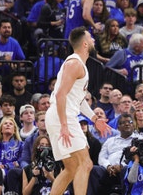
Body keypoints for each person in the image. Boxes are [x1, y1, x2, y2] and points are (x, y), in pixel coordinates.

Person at [45, 26, 111, 195]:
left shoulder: (78, 64)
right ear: (84, 43)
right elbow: (60, 95)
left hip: (60, 115)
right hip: (63, 116)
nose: (94, 40)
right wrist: (65, 125)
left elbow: (78, 101)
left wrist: (95, 119)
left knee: (71, 168)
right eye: (91, 38)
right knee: (85, 163)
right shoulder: (74, 63)